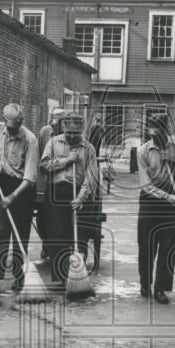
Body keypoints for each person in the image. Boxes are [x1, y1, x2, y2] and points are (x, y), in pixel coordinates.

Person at [137, 113, 175, 304]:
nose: (156, 137)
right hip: (151, 200)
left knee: (168, 247)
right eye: (152, 133)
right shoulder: (143, 151)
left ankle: (161, 288)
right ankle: (145, 283)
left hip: (174, 195)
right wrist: (167, 196)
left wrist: (174, 161)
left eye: (160, 132)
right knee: (147, 246)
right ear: (149, 131)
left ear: (167, 130)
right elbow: (145, 185)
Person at [0, 103, 39, 293]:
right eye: (11, 126)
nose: (14, 130)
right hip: (1, 183)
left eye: (18, 125)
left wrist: (12, 198)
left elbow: (29, 178)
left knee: (20, 236)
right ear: (5, 120)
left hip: (22, 190)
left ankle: (20, 278)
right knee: (0, 234)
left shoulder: (30, 139)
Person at [39, 112, 99, 284]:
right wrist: (65, 161)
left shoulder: (89, 149)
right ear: (63, 127)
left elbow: (91, 177)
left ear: (82, 130)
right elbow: (43, 166)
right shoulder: (53, 142)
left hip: (78, 195)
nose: (72, 136)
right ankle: (59, 278)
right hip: (56, 192)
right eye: (69, 132)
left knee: (77, 238)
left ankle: (76, 278)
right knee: (56, 236)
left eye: (76, 132)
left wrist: (80, 198)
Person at [35, 107, 66, 259]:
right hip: (46, 180)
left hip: (62, 181)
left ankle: (62, 250)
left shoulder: (69, 135)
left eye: (58, 124)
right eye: (52, 123)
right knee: (42, 217)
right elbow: (40, 157)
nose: (55, 127)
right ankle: (46, 244)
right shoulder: (44, 132)